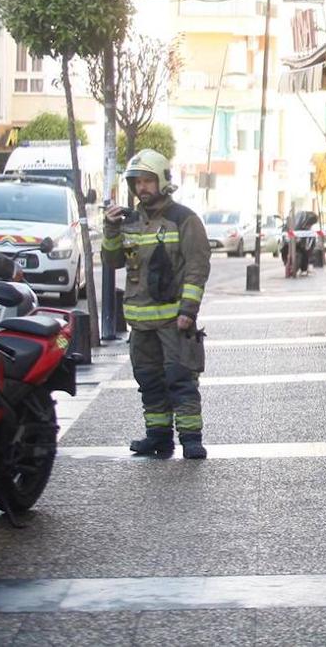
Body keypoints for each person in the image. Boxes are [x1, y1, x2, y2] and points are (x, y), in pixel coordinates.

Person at [101, 149, 213, 460]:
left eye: (148, 181)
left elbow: (197, 266)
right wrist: (110, 230)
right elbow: (112, 262)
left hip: (173, 321)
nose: (142, 188)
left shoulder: (184, 220)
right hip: (140, 323)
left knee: (181, 380)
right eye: (137, 182)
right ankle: (158, 438)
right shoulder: (131, 222)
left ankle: (191, 439)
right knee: (149, 382)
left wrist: (188, 311)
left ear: (163, 180)